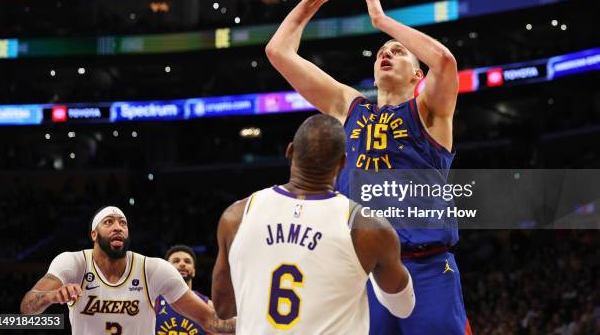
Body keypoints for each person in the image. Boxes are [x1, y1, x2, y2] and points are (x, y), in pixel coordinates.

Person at [265, 0, 470, 334]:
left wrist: (382, 20)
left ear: (418, 74)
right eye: (381, 53)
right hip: (363, 272)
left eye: (398, 52)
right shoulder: (350, 107)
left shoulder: (430, 113)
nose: (386, 54)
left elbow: (445, 61)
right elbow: (279, 51)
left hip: (427, 268)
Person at [211, 114, 415, 334]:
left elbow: (223, 308)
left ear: (290, 151)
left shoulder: (236, 216)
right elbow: (403, 308)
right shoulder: (369, 229)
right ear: (343, 162)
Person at [20, 206, 235, 335]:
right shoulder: (73, 263)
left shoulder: (153, 269)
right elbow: (27, 307)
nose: (118, 227)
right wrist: (51, 296)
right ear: (94, 234)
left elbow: (209, 319)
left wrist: (255, 321)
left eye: (123, 223)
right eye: (109, 222)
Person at [155, 245, 209, 335]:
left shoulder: (207, 304)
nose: (182, 264)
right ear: (165, 270)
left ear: (194, 271)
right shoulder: (152, 301)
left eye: (187, 261)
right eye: (176, 261)